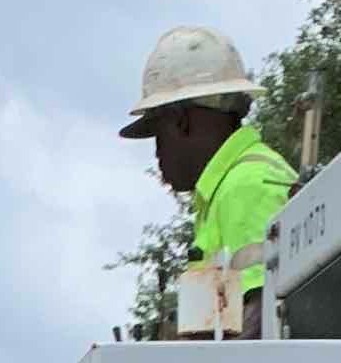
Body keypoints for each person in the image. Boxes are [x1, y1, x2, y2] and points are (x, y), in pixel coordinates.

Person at [120, 26, 298, 336]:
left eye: (158, 134)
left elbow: (267, 315)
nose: (157, 152)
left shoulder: (247, 186)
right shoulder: (226, 191)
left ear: (181, 121)